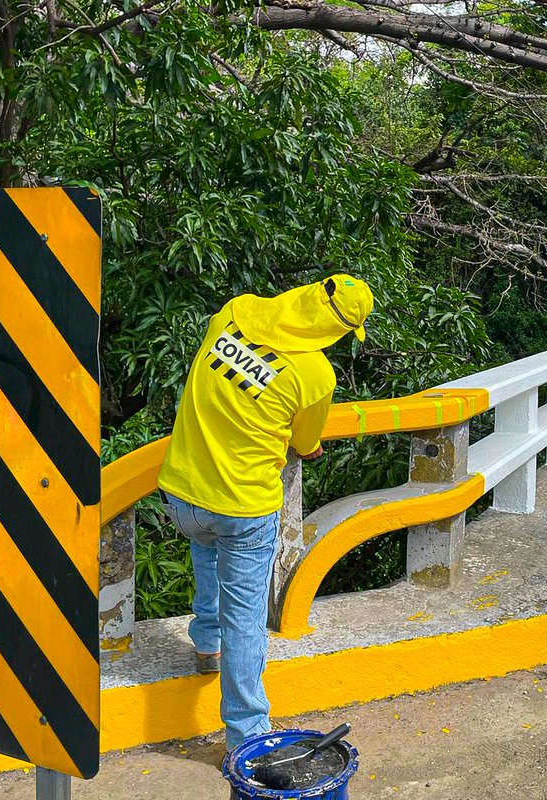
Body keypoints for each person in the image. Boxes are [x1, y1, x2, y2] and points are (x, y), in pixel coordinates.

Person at [157, 274, 374, 752]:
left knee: (205, 550)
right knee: (247, 621)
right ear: (337, 330)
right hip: (244, 507)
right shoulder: (316, 377)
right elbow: (304, 442)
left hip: (180, 494)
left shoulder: (237, 310)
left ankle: (205, 643)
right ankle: (246, 735)